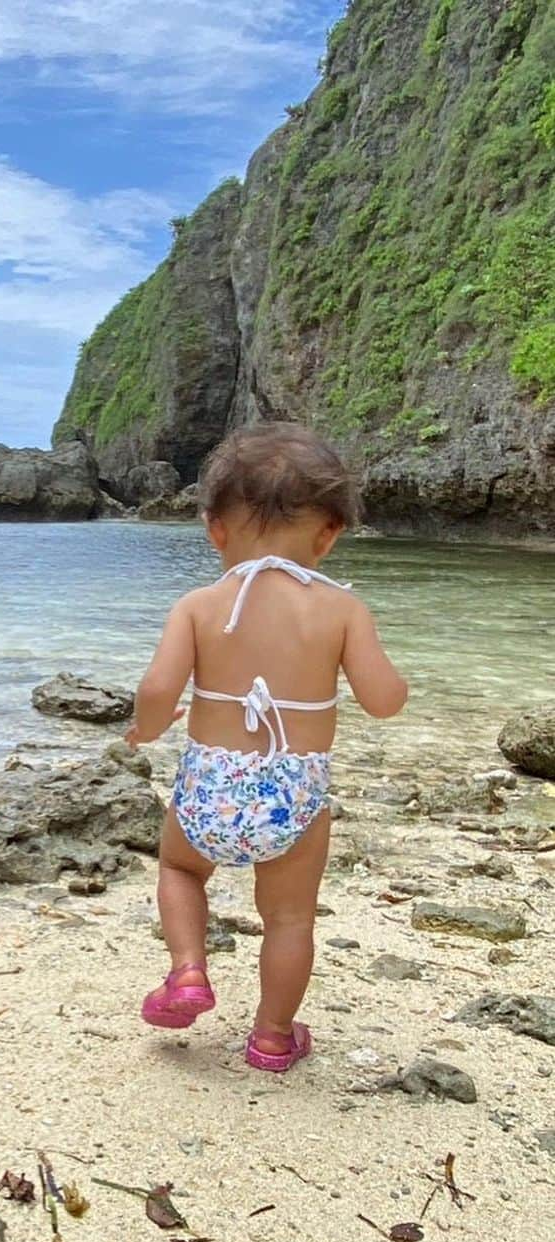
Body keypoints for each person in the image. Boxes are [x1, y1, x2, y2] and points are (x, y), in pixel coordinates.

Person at [125, 423, 408, 1072]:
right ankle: (273, 1037)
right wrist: (399, 680)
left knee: (178, 871)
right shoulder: (341, 611)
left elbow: (158, 687)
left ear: (213, 529)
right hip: (294, 798)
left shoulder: (198, 606)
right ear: (330, 533)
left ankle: (188, 971)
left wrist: (147, 727)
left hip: (210, 791)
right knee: (288, 920)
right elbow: (382, 700)